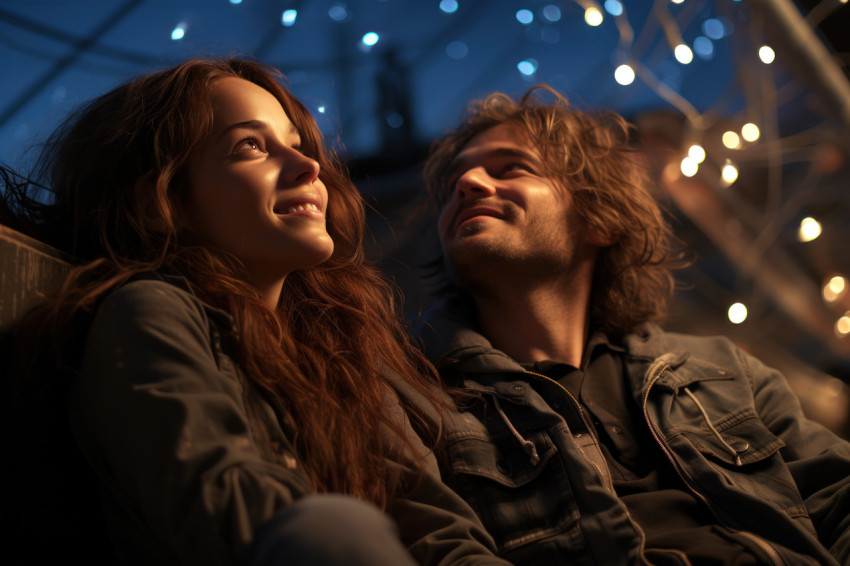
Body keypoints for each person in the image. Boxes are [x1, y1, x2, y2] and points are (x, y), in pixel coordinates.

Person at [0, 58, 511, 566]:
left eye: (299, 144)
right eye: (251, 145)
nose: (309, 166)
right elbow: (236, 522)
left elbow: (442, 536)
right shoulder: (148, 313)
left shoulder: (344, 353)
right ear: (162, 203)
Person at [410, 85, 850, 565]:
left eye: (511, 167)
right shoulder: (416, 400)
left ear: (599, 221)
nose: (468, 181)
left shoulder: (726, 372)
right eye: (456, 177)